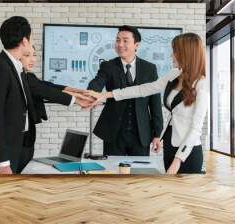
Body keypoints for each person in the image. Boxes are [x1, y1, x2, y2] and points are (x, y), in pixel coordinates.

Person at [85, 33, 208, 174]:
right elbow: (143, 89)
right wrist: (106, 95)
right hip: (170, 146)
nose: (171, 55)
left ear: (186, 54)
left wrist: (178, 160)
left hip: (187, 153)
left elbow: (196, 129)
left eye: (175, 51)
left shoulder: (201, 84)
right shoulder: (174, 75)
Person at [0, 16, 91, 174]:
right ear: (25, 40)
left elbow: (45, 87)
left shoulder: (16, 67)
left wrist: (76, 93)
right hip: (10, 148)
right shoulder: (1, 66)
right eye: (31, 39)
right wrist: (3, 162)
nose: (31, 44)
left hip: (22, 142)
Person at [86, 25, 163, 157]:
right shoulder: (108, 66)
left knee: (138, 174)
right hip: (114, 133)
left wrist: (157, 134)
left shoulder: (149, 69)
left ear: (136, 45)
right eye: (117, 40)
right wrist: (92, 93)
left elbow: (155, 104)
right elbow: (97, 82)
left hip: (141, 133)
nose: (120, 44)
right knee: (113, 174)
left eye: (125, 40)